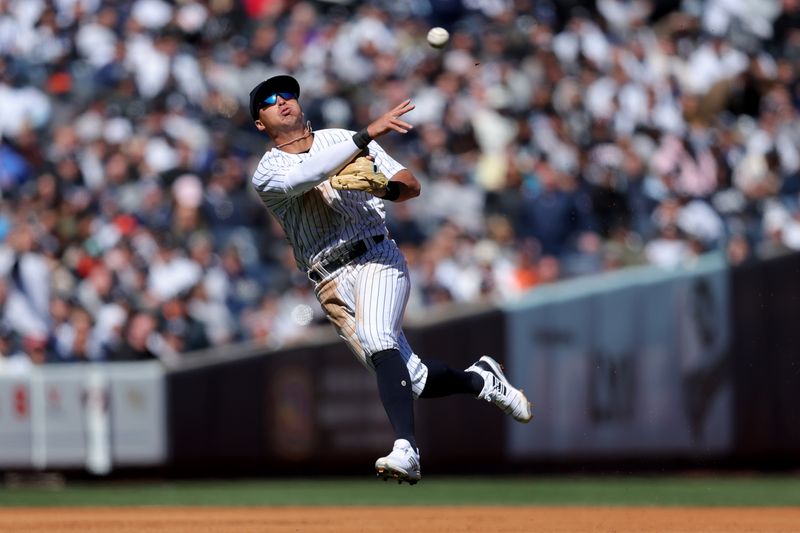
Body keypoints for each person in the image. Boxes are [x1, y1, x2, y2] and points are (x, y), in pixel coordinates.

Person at [248, 75, 532, 485]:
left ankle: (406, 449)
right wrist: (365, 136)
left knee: (379, 338)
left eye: (288, 93)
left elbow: (410, 185)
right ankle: (480, 379)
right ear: (260, 123)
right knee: (411, 377)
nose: (283, 101)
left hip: (376, 255)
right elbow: (304, 178)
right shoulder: (268, 171)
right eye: (270, 100)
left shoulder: (340, 138)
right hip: (329, 281)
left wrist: (384, 187)